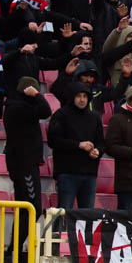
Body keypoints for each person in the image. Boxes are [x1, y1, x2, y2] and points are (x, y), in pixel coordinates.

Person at [2, 77, 51, 249]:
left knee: (26, 209)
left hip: (26, 163)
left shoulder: (18, 107)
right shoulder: (18, 107)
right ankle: (13, 249)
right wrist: (38, 94)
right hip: (24, 163)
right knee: (32, 208)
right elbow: (46, 110)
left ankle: (13, 250)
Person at [47, 82, 104, 213]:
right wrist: (79, 145)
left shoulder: (94, 117)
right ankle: (58, 234)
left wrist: (98, 151)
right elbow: (53, 140)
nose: (82, 99)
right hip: (67, 172)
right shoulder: (61, 115)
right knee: (64, 213)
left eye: (85, 96)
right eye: (79, 96)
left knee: (86, 216)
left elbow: (102, 143)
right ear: (72, 97)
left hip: (89, 173)